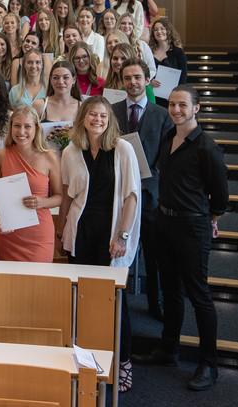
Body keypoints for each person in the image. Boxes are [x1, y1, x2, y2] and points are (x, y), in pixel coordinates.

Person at [134, 86, 228, 392]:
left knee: (198, 295)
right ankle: (168, 349)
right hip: (165, 221)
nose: (176, 110)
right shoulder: (168, 138)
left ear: (196, 108)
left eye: (182, 105)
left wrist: (210, 218)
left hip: (192, 226)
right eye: (172, 104)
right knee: (170, 290)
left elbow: (221, 197)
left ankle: (208, 365)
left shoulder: (207, 148)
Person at [58, 96, 141, 392]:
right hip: (81, 233)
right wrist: (61, 230)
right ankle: (87, 361)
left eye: (103, 116)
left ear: (110, 120)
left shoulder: (123, 149)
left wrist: (122, 236)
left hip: (110, 234)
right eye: (92, 114)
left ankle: (124, 362)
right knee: (82, 300)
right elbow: (67, 194)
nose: (97, 119)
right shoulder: (70, 151)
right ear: (83, 118)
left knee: (115, 301)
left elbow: (131, 196)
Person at [113, 59, 173, 320]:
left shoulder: (162, 115)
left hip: (150, 195)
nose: (133, 82)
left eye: (137, 77)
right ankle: (116, 303)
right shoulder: (111, 111)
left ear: (147, 80)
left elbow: (166, 156)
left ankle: (154, 303)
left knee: (154, 254)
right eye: (127, 78)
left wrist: (149, 177)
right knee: (116, 253)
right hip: (116, 194)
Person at [0, 106, 62, 262]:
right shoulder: (1, 156)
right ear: (10, 128)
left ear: (36, 128)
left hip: (39, 235)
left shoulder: (49, 157)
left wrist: (42, 201)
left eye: (27, 126)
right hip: (10, 234)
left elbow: (59, 197)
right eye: (17, 126)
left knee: (39, 284)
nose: (21, 131)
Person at [150, 18, 188, 88]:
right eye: (155, 30)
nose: (159, 31)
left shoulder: (178, 52)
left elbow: (183, 77)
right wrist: (150, 81)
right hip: (153, 93)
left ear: (168, 31)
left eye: (162, 29)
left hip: (173, 93)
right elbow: (145, 73)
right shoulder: (149, 52)